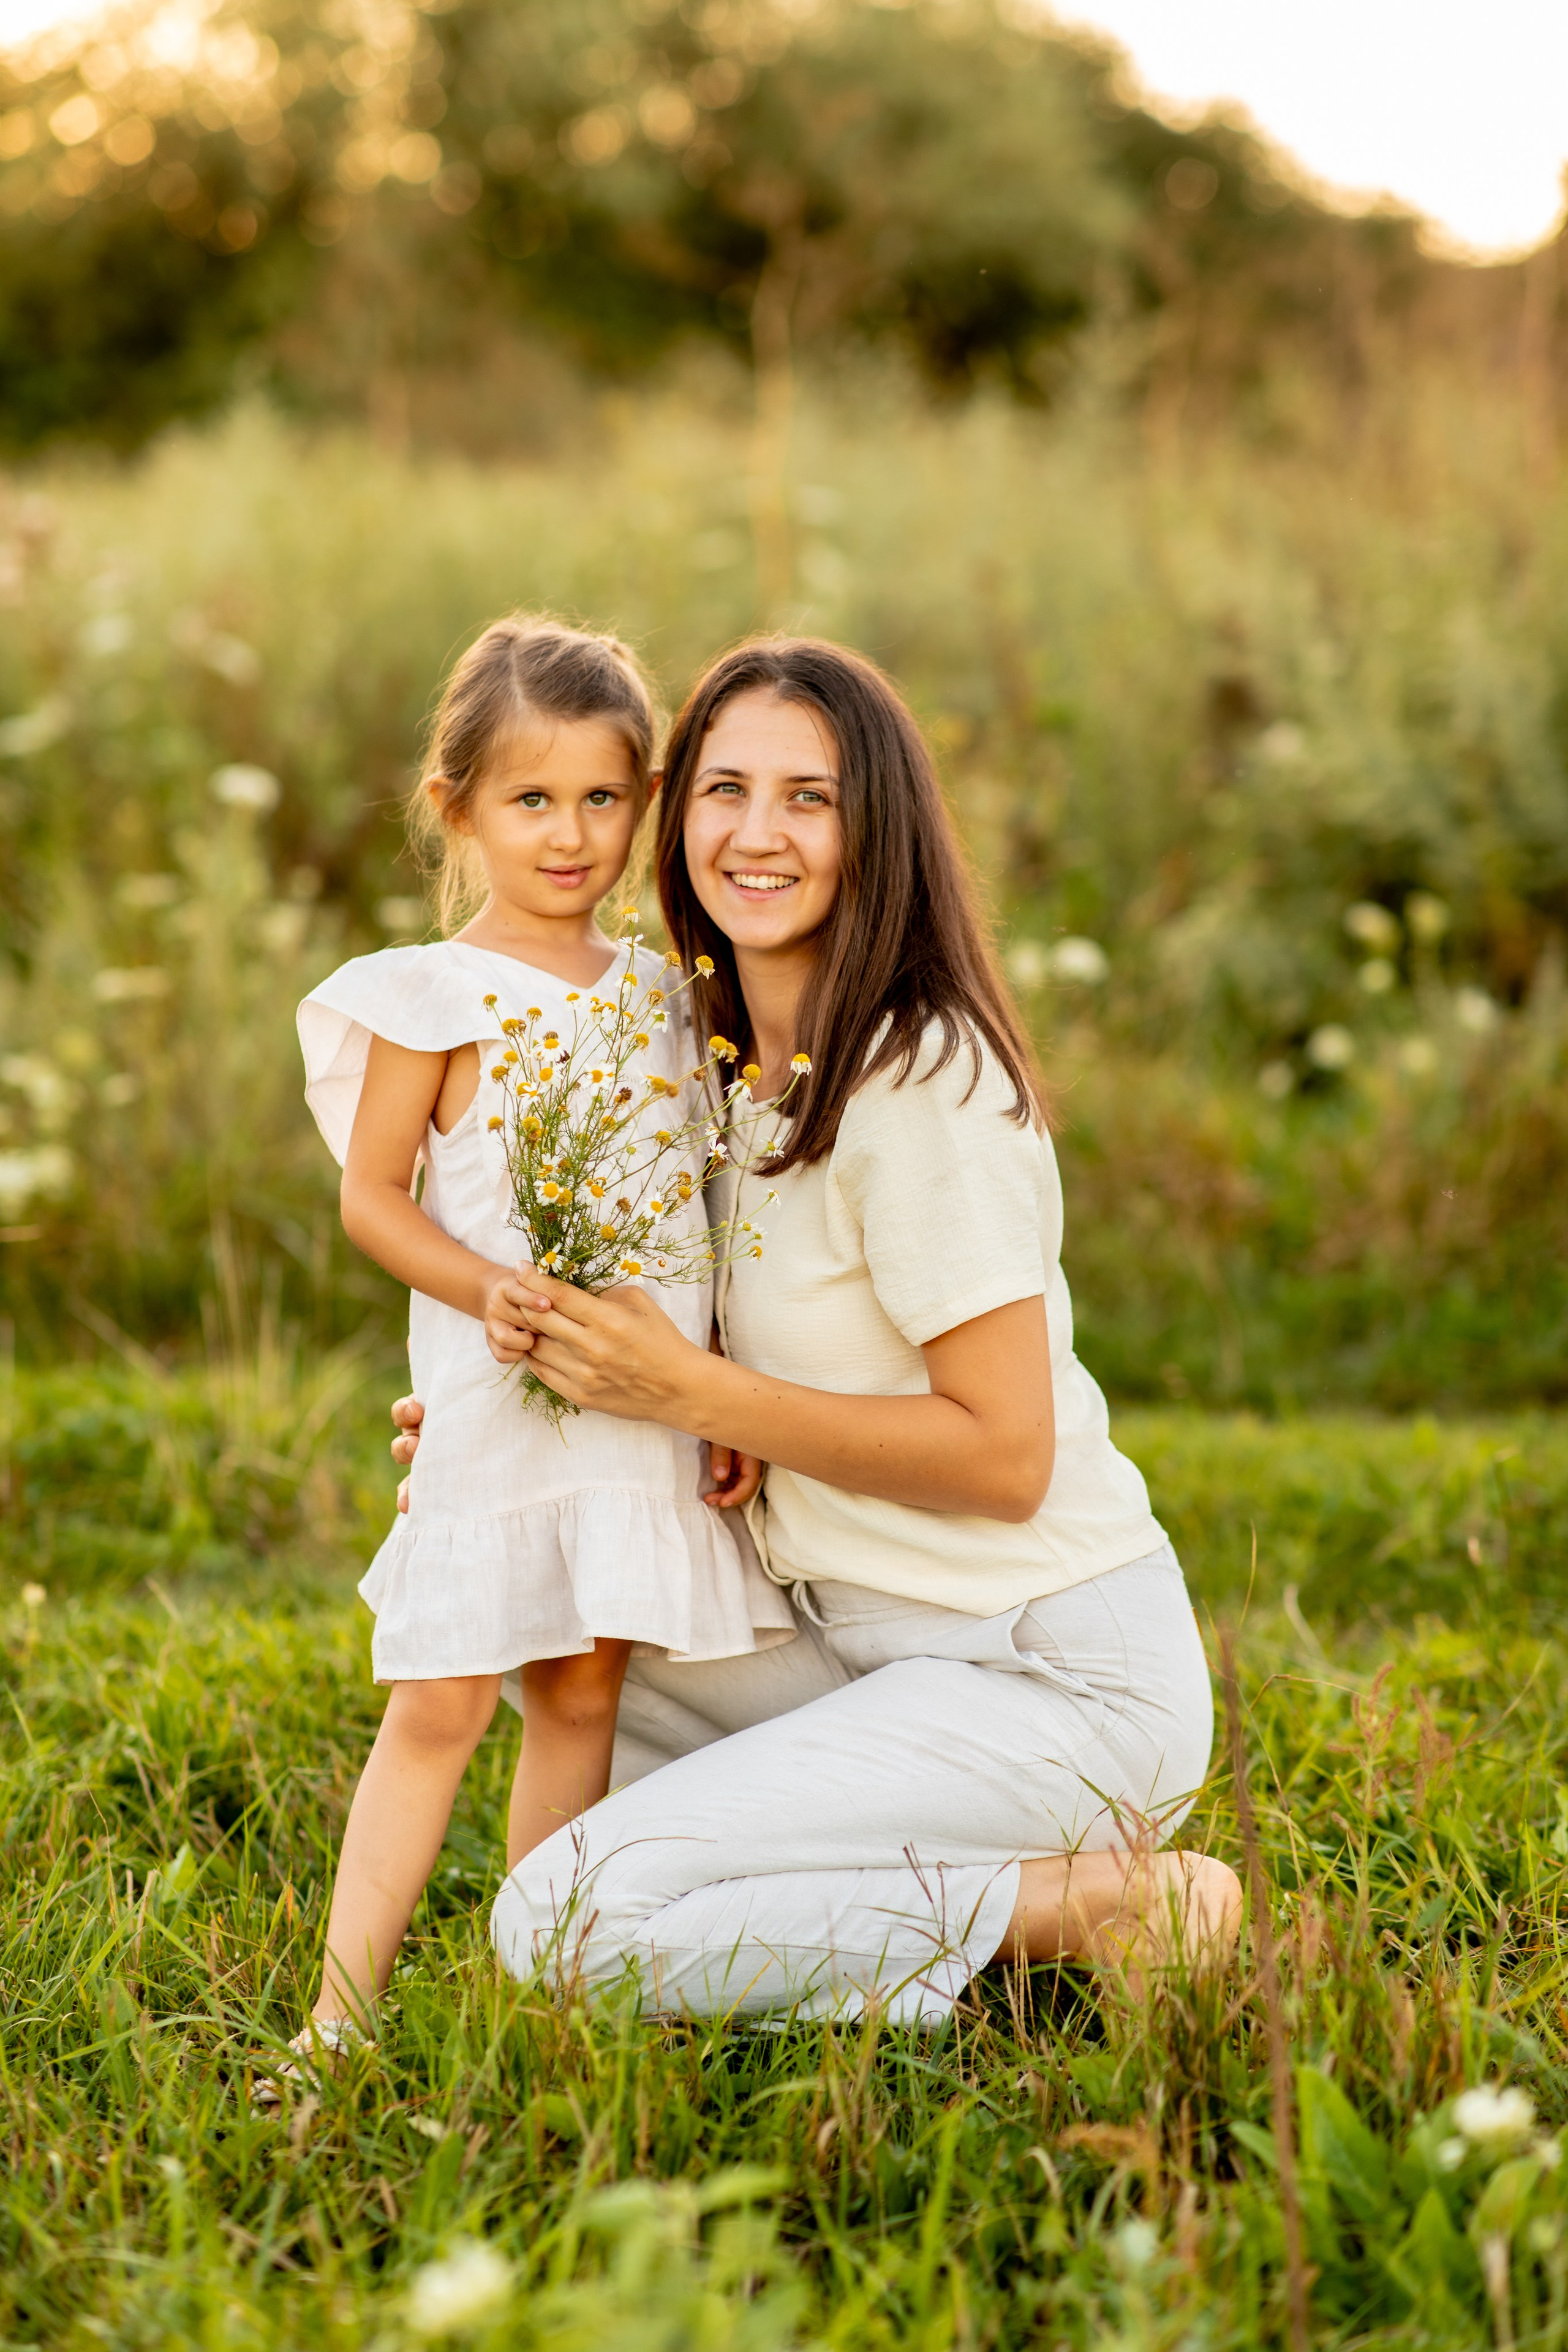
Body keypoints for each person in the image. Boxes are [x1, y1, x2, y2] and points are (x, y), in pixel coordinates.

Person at [401, 636, 1243, 2027]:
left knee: (560, 1927)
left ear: (878, 831)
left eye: (811, 799)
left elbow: (1006, 1460)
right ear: (677, 816)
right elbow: (686, 1360)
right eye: (725, 790)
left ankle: (1090, 1906)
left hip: (1046, 1674)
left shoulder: (922, 1082)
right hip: (843, 1635)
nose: (757, 834)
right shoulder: (712, 1066)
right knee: (567, 1625)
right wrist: (515, 1430)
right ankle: (906, 1901)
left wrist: (695, 1395)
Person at [270, 617, 793, 2090]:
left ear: (646, 804)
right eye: (531, 799)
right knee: (439, 1698)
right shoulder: (429, 994)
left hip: (637, 1406)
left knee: (580, 1693)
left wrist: (721, 1393)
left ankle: (546, 1990)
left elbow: (699, 1213)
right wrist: (487, 1284)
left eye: (602, 798)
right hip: (495, 1394)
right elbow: (373, 1198)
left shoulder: (670, 999)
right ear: (458, 808)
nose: (570, 835)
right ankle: (336, 2021)